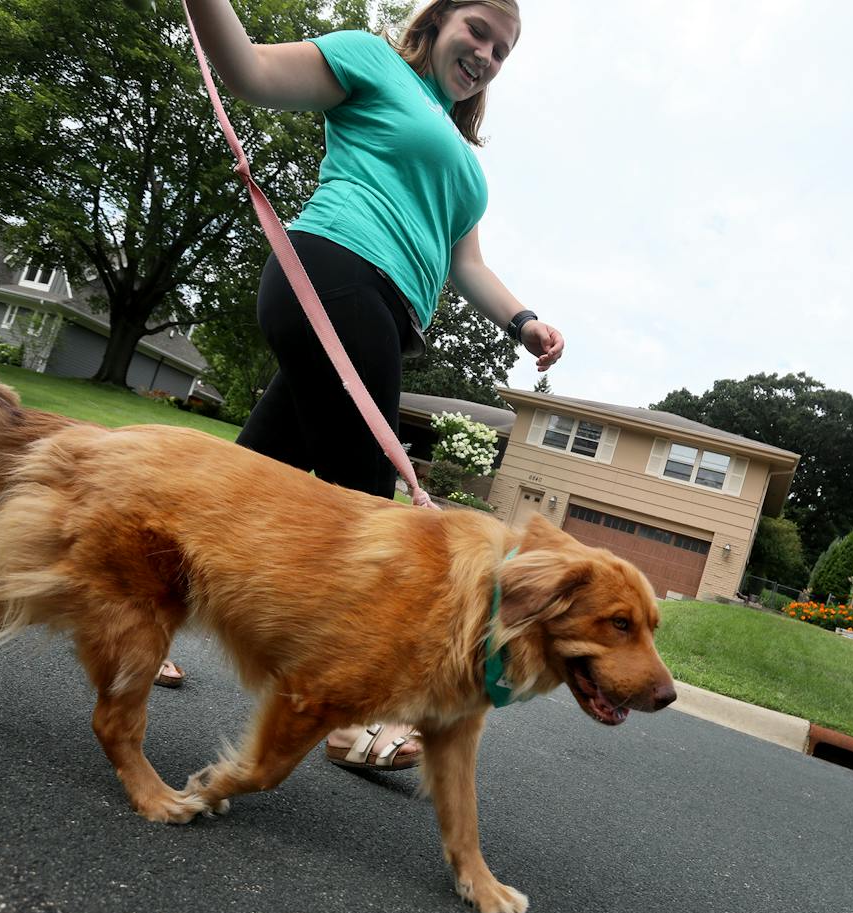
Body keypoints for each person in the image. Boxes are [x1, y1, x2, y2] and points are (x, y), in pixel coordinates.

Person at [170, 0, 564, 771]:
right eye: (477, 30)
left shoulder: (461, 155)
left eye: (503, 50)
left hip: (380, 310)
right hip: (335, 273)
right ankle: (351, 719)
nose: (485, 53)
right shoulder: (371, 62)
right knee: (369, 518)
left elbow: (466, 264)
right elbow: (247, 71)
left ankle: (139, 608)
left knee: (247, 481)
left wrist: (524, 322)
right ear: (440, 21)